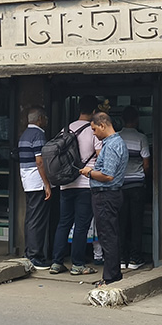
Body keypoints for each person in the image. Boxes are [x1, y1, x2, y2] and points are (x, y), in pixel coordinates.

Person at [49, 95, 101, 276]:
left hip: (66, 184)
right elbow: (100, 155)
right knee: (81, 225)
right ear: (94, 111)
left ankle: (57, 262)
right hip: (86, 183)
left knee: (64, 223)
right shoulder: (93, 130)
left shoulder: (66, 129)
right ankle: (77, 264)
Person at [80, 111, 128, 286]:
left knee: (107, 236)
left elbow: (107, 175)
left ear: (102, 125)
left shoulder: (112, 145)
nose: (94, 133)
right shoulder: (113, 143)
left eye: (94, 129)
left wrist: (89, 172)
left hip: (106, 195)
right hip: (108, 194)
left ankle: (110, 277)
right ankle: (112, 274)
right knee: (110, 234)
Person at [18, 106, 52, 269]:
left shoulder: (24, 134)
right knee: (37, 220)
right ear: (39, 119)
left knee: (31, 218)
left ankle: (29, 252)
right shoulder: (38, 134)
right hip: (36, 180)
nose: (46, 121)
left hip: (27, 179)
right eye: (44, 118)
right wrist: (46, 183)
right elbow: (39, 161)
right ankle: (35, 255)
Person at [118, 105, 150, 270]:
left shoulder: (116, 138)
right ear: (136, 120)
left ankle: (122, 258)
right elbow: (146, 164)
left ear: (122, 120)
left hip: (121, 186)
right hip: (137, 185)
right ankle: (135, 259)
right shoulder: (141, 138)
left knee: (121, 222)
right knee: (136, 222)